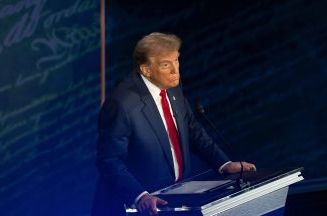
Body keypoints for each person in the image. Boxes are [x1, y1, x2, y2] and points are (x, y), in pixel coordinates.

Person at [92, 32, 256, 216]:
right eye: (165, 64)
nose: (175, 70)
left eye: (176, 60)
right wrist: (140, 196)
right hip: (134, 208)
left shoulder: (171, 87)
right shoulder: (121, 103)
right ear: (146, 70)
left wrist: (224, 164)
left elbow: (192, 131)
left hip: (174, 200)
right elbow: (109, 160)